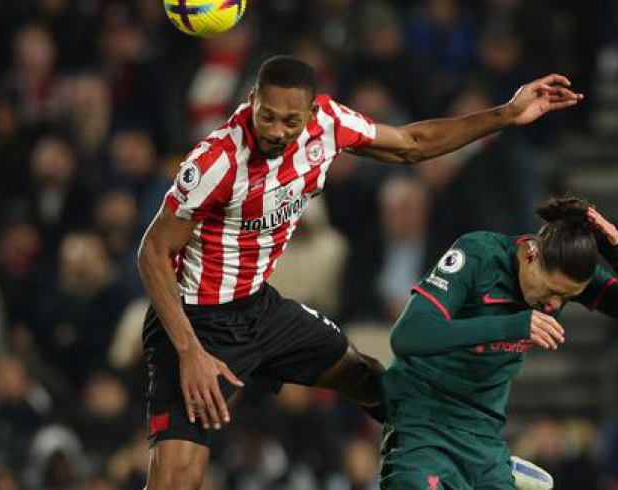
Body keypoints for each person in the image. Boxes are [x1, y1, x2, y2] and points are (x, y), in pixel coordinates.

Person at [137, 55, 582, 490]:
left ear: (311, 112)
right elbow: (153, 252)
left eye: (289, 121)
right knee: (177, 479)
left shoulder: (328, 123)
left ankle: (480, 458)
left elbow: (413, 144)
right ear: (251, 100)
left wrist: (506, 114)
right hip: (196, 321)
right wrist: (190, 352)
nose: (275, 131)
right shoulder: (217, 161)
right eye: (266, 116)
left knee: (370, 379)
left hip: (258, 306)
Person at [379, 197, 618, 490]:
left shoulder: (564, 278)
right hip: (423, 423)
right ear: (531, 255)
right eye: (551, 291)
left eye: (567, 297)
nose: (553, 305)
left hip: (484, 437)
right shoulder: (478, 254)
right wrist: (512, 325)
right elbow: (408, 335)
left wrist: (616, 252)